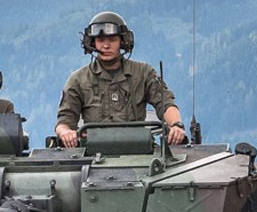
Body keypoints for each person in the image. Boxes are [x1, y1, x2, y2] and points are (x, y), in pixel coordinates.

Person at [55, 11, 186, 148]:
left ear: (122, 41)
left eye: (112, 40)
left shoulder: (142, 73)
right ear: (92, 43)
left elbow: (165, 104)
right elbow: (64, 121)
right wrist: (66, 133)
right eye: (100, 40)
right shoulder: (78, 80)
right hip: (92, 153)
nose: (106, 46)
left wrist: (176, 125)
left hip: (138, 151)